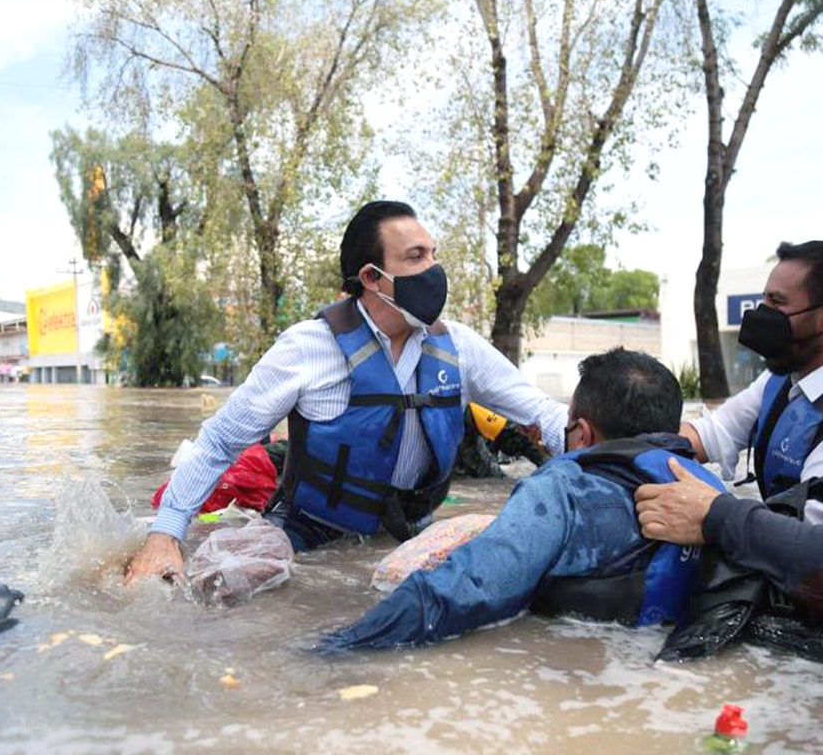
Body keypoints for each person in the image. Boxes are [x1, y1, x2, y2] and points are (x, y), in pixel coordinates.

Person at [125, 200, 567, 584]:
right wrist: (164, 535)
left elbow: (544, 414)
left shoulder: (460, 347)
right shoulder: (306, 348)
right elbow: (220, 442)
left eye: (433, 255)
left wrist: (625, 464)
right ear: (372, 277)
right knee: (227, 579)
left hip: (411, 531)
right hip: (306, 531)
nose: (434, 270)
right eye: (416, 257)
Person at [320, 348, 724, 652]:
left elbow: (464, 588)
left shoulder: (565, 488)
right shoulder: (711, 492)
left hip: (579, 668)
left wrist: (337, 646)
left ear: (581, 434)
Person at [634, 240, 823, 642]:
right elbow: (704, 436)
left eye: (778, 303)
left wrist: (715, 516)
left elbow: (818, 558)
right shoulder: (779, 383)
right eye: (763, 301)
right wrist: (620, 448)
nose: (763, 316)